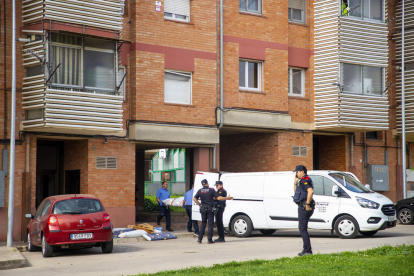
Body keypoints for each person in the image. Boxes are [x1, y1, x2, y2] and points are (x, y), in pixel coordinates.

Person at [193, 179, 232, 244]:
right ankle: (209, 239)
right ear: (207, 183)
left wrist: (199, 204)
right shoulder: (211, 190)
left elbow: (194, 199)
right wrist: (227, 198)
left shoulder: (200, 190)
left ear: (202, 184)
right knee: (210, 224)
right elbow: (219, 198)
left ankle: (199, 239)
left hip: (203, 208)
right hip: (209, 209)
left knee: (203, 223)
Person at [293, 165, 315, 256]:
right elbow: (296, 193)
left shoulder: (304, 180)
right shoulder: (301, 181)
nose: (296, 173)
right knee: (302, 228)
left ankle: (307, 251)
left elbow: (310, 191)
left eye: (297, 172)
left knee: (302, 229)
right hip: (303, 206)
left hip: (304, 207)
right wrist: (295, 183)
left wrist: (307, 204)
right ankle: (306, 250)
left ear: (302, 171)